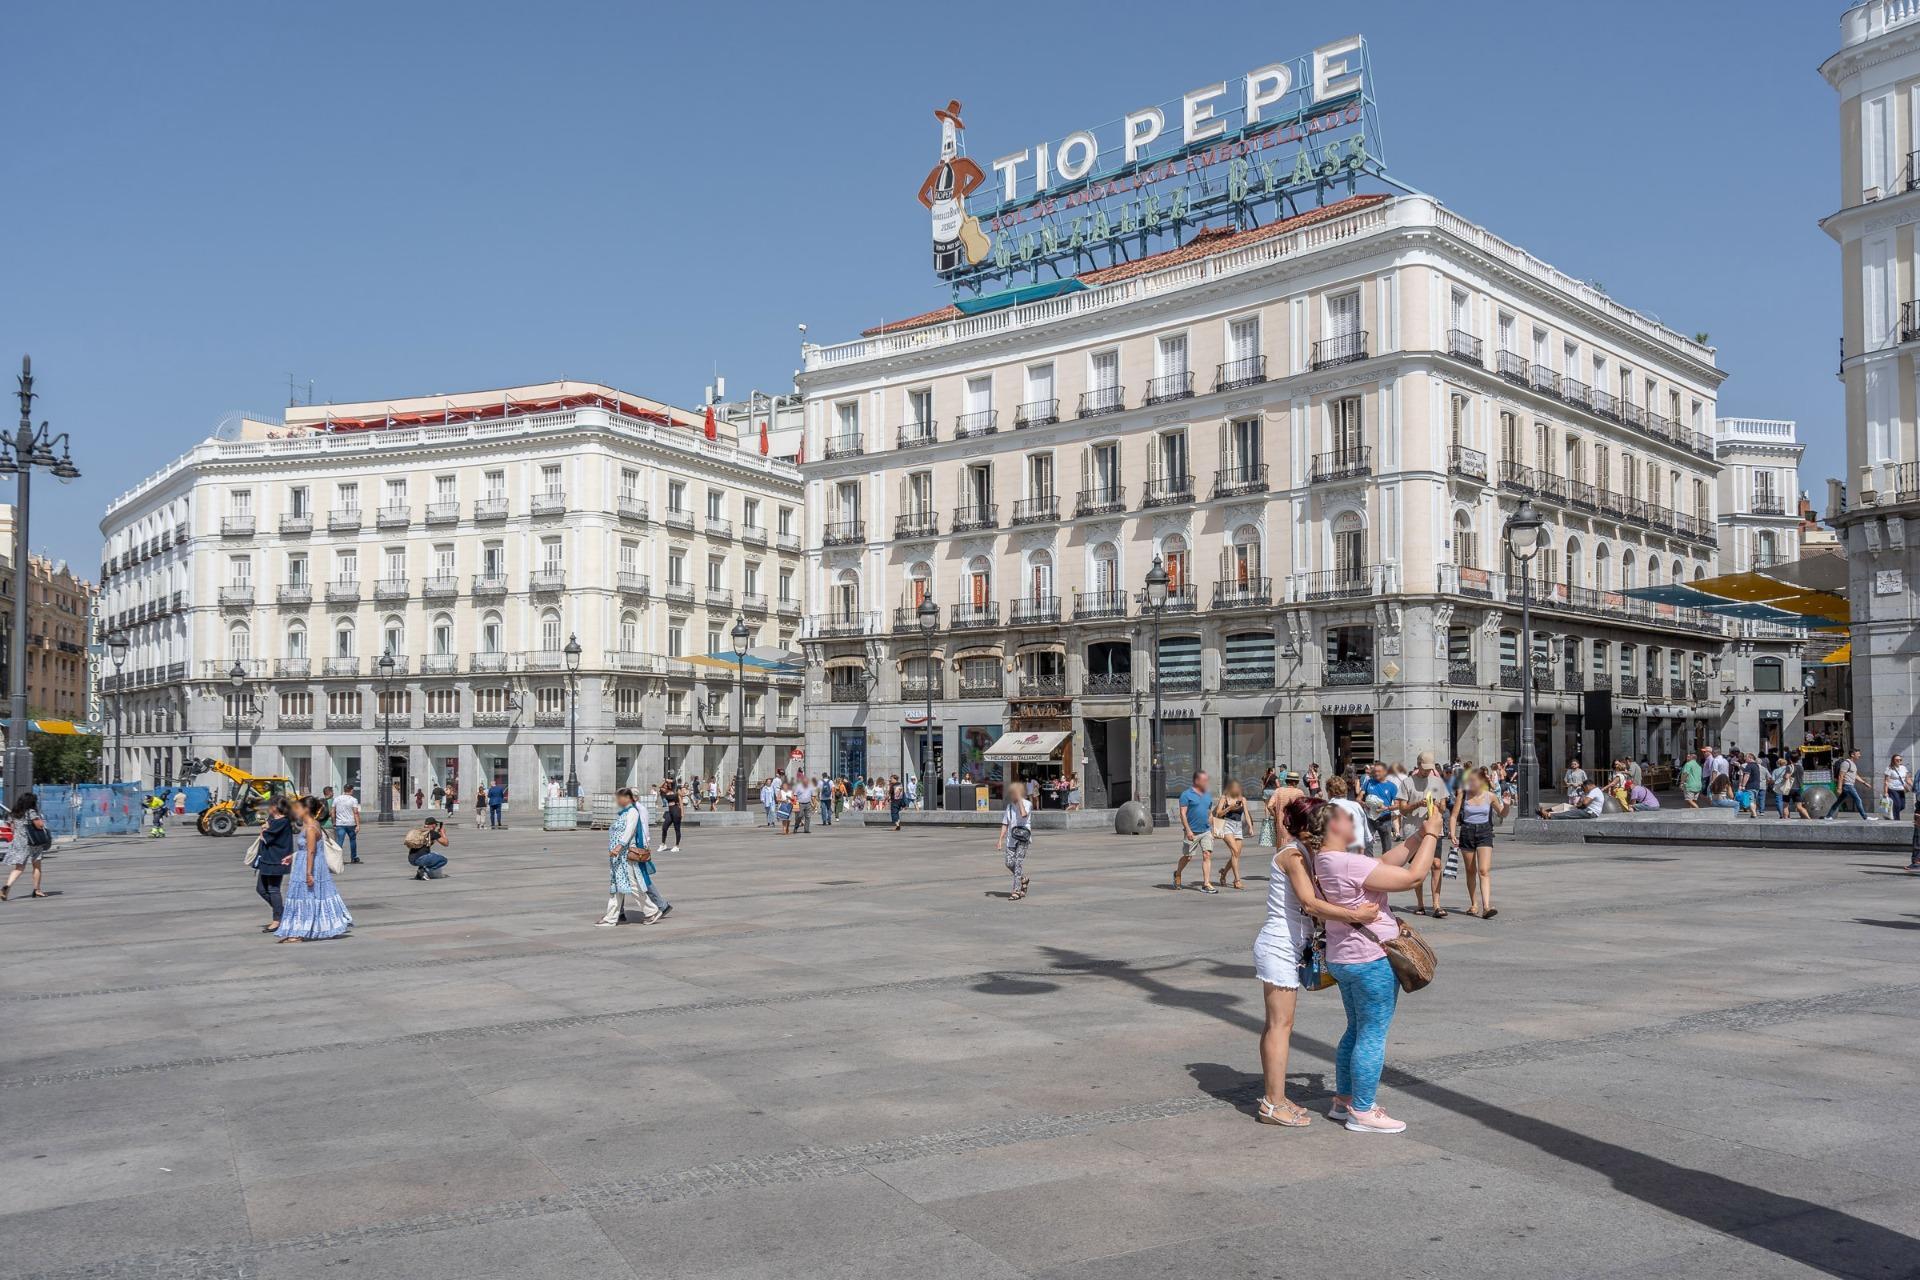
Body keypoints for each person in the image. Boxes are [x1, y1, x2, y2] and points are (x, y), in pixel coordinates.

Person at [1305, 792, 1442, 1134]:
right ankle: (1363, 1111)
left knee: (1355, 1029)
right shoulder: (1348, 863)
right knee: (1372, 1034)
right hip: (1371, 959)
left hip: (1343, 957)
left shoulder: (1324, 861)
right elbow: (1412, 878)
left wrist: (1416, 835)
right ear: (1335, 825)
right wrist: (1433, 834)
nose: (1355, 825)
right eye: (1349, 819)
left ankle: (1344, 1100)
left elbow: (1383, 863)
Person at [1252, 799, 1380, 1128]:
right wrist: (1356, 915)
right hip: (1279, 945)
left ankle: (1276, 1097)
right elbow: (1310, 904)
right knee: (1280, 1026)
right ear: (1308, 825)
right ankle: (1272, 1104)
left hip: (1290, 944)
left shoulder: (1305, 853)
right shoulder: (1293, 854)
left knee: (1278, 1025)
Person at [276, 795, 352, 943]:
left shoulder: (311, 828)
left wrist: (309, 873)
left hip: (309, 865)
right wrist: (293, 856)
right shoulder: (312, 824)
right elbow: (308, 849)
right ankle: (323, 926)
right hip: (306, 863)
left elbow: (311, 851)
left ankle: (299, 931)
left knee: (305, 896)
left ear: (306, 810)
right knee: (316, 896)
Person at [1447, 767, 1507, 918]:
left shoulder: (1490, 796)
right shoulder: (1463, 794)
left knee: (1484, 870)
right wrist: (1452, 833)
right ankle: (1474, 904)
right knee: (1470, 870)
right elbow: (1454, 815)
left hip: (1485, 832)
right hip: (1467, 832)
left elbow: (1502, 813)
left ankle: (1486, 906)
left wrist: (1506, 804)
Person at [599, 787, 662, 926]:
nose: (617, 800)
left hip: (626, 856)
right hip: (618, 858)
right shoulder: (623, 813)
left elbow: (629, 831)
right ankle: (611, 917)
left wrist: (619, 846)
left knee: (633, 886)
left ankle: (652, 911)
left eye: (620, 797)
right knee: (617, 887)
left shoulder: (633, 812)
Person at [1172, 770, 1217, 893]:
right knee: (1188, 857)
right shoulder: (1186, 795)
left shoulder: (1208, 795)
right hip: (1192, 831)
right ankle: (1178, 873)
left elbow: (1209, 813)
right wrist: (1188, 830)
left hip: (1206, 830)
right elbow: (1182, 814)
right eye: (1204, 780)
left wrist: (1212, 830)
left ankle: (1206, 883)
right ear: (1197, 781)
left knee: (1207, 854)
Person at [253, 798, 295, 931]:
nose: (268, 808)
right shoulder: (273, 819)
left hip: (277, 860)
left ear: (276, 807)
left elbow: (266, 836)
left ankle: (278, 919)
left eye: (270, 805)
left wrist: (264, 830)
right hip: (267, 859)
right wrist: (265, 826)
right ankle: (282, 913)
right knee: (261, 889)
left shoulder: (282, 822)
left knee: (273, 889)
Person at [2, 791, 51, 901]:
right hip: (32, 843)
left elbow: (11, 827)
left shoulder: (14, 813)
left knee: (19, 868)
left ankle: (7, 886)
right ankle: (37, 890)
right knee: (36, 866)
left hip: (18, 842)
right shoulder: (31, 812)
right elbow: (40, 825)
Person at [997, 780, 1033, 900]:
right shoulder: (1009, 806)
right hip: (1011, 839)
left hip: (1023, 838)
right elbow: (1004, 823)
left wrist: (1019, 800)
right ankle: (1023, 879)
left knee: (1018, 863)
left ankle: (1016, 891)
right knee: (1009, 863)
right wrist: (1000, 840)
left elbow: (1023, 814)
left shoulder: (1027, 803)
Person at [1213, 779, 1249, 890]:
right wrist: (1229, 807)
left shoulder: (1242, 799)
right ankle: (1237, 880)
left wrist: (1250, 827)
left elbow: (1246, 813)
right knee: (1235, 851)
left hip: (1238, 827)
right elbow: (1218, 813)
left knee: (1236, 854)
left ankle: (1223, 873)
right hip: (1227, 825)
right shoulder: (1224, 798)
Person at [1830, 749, 1869, 818]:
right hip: (1848, 785)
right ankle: (1865, 817)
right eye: (1858, 754)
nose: (1859, 755)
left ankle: (1828, 816)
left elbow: (1855, 775)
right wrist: (1839, 788)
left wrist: (1864, 783)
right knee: (1858, 799)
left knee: (1838, 802)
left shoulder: (1853, 764)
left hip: (1849, 785)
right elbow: (1841, 775)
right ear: (1852, 755)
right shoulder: (1846, 763)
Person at [1538, 781, 1605, 820]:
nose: (1585, 790)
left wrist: (1578, 805)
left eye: (1584, 788)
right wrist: (1578, 805)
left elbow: (1584, 803)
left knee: (1570, 813)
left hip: (1591, 812)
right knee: (1565, 805)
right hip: (1587, 809)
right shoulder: (1595, 790)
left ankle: (1549, 815)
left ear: (1587, 786)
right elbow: (1582, 803)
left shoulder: (1594, 791)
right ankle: (1546, 811)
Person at [333, 785, 363, 864]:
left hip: (340, 823)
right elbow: (355, 812)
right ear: (351, 790)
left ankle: (337, 859)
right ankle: (353, 857)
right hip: (351, 824)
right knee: (352, 840)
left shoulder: (337, 799)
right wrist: (358, 825)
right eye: (352, 790)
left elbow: (333, 812)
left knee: (340, 841)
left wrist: (334, 822)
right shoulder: (353, 800)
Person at [658, 776, 684, 852]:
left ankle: (676, 845)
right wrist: (665, 782)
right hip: (669, 811)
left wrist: (682, 813)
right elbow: (660, 787)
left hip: (676, 809)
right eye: (666, 783)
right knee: (664, 827)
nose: (667, 784)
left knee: (677, 829)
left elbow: (681, 802)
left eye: (669, 783)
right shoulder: (665, 791)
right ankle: (663, 844)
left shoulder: (676, 790)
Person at [1882, 753, 1911, 820]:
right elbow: (1886, 781)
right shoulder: (1889, 768)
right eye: (1897, 760)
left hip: (1901, 789)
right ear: (1893, 760)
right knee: (1897, 805)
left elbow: (1907, 779)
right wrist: (1885, 792)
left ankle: (1892, 812)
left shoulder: (1903, 768)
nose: (1899, 761)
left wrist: (1913, 786)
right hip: (1892, 789)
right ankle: (1897, 820)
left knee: (1902, 806)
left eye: (1900, 760)